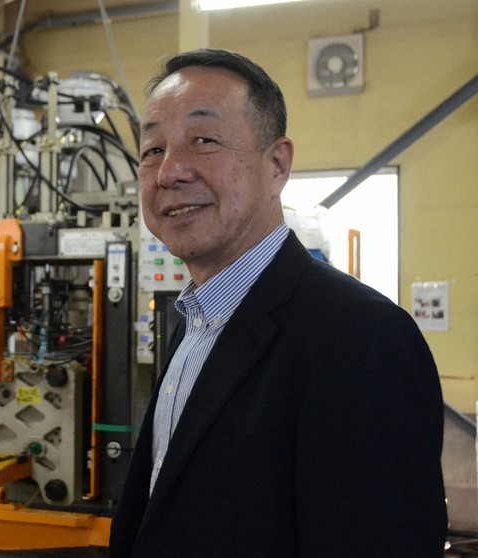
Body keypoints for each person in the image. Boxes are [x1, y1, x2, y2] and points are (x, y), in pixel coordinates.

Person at [109, 48, 447, 557]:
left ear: (277, 164)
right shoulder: (195, 324)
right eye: (152, 149)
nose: (169, 172)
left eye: (204, 140)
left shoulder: (363, 338)